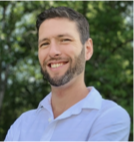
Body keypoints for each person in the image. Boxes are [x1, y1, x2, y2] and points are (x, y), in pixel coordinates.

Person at [5, 7, 130, 142]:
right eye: (45, 43)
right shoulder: (22, 124)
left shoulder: (110, 117)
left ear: (87, 49)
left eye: (64, 40)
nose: (53, 52)